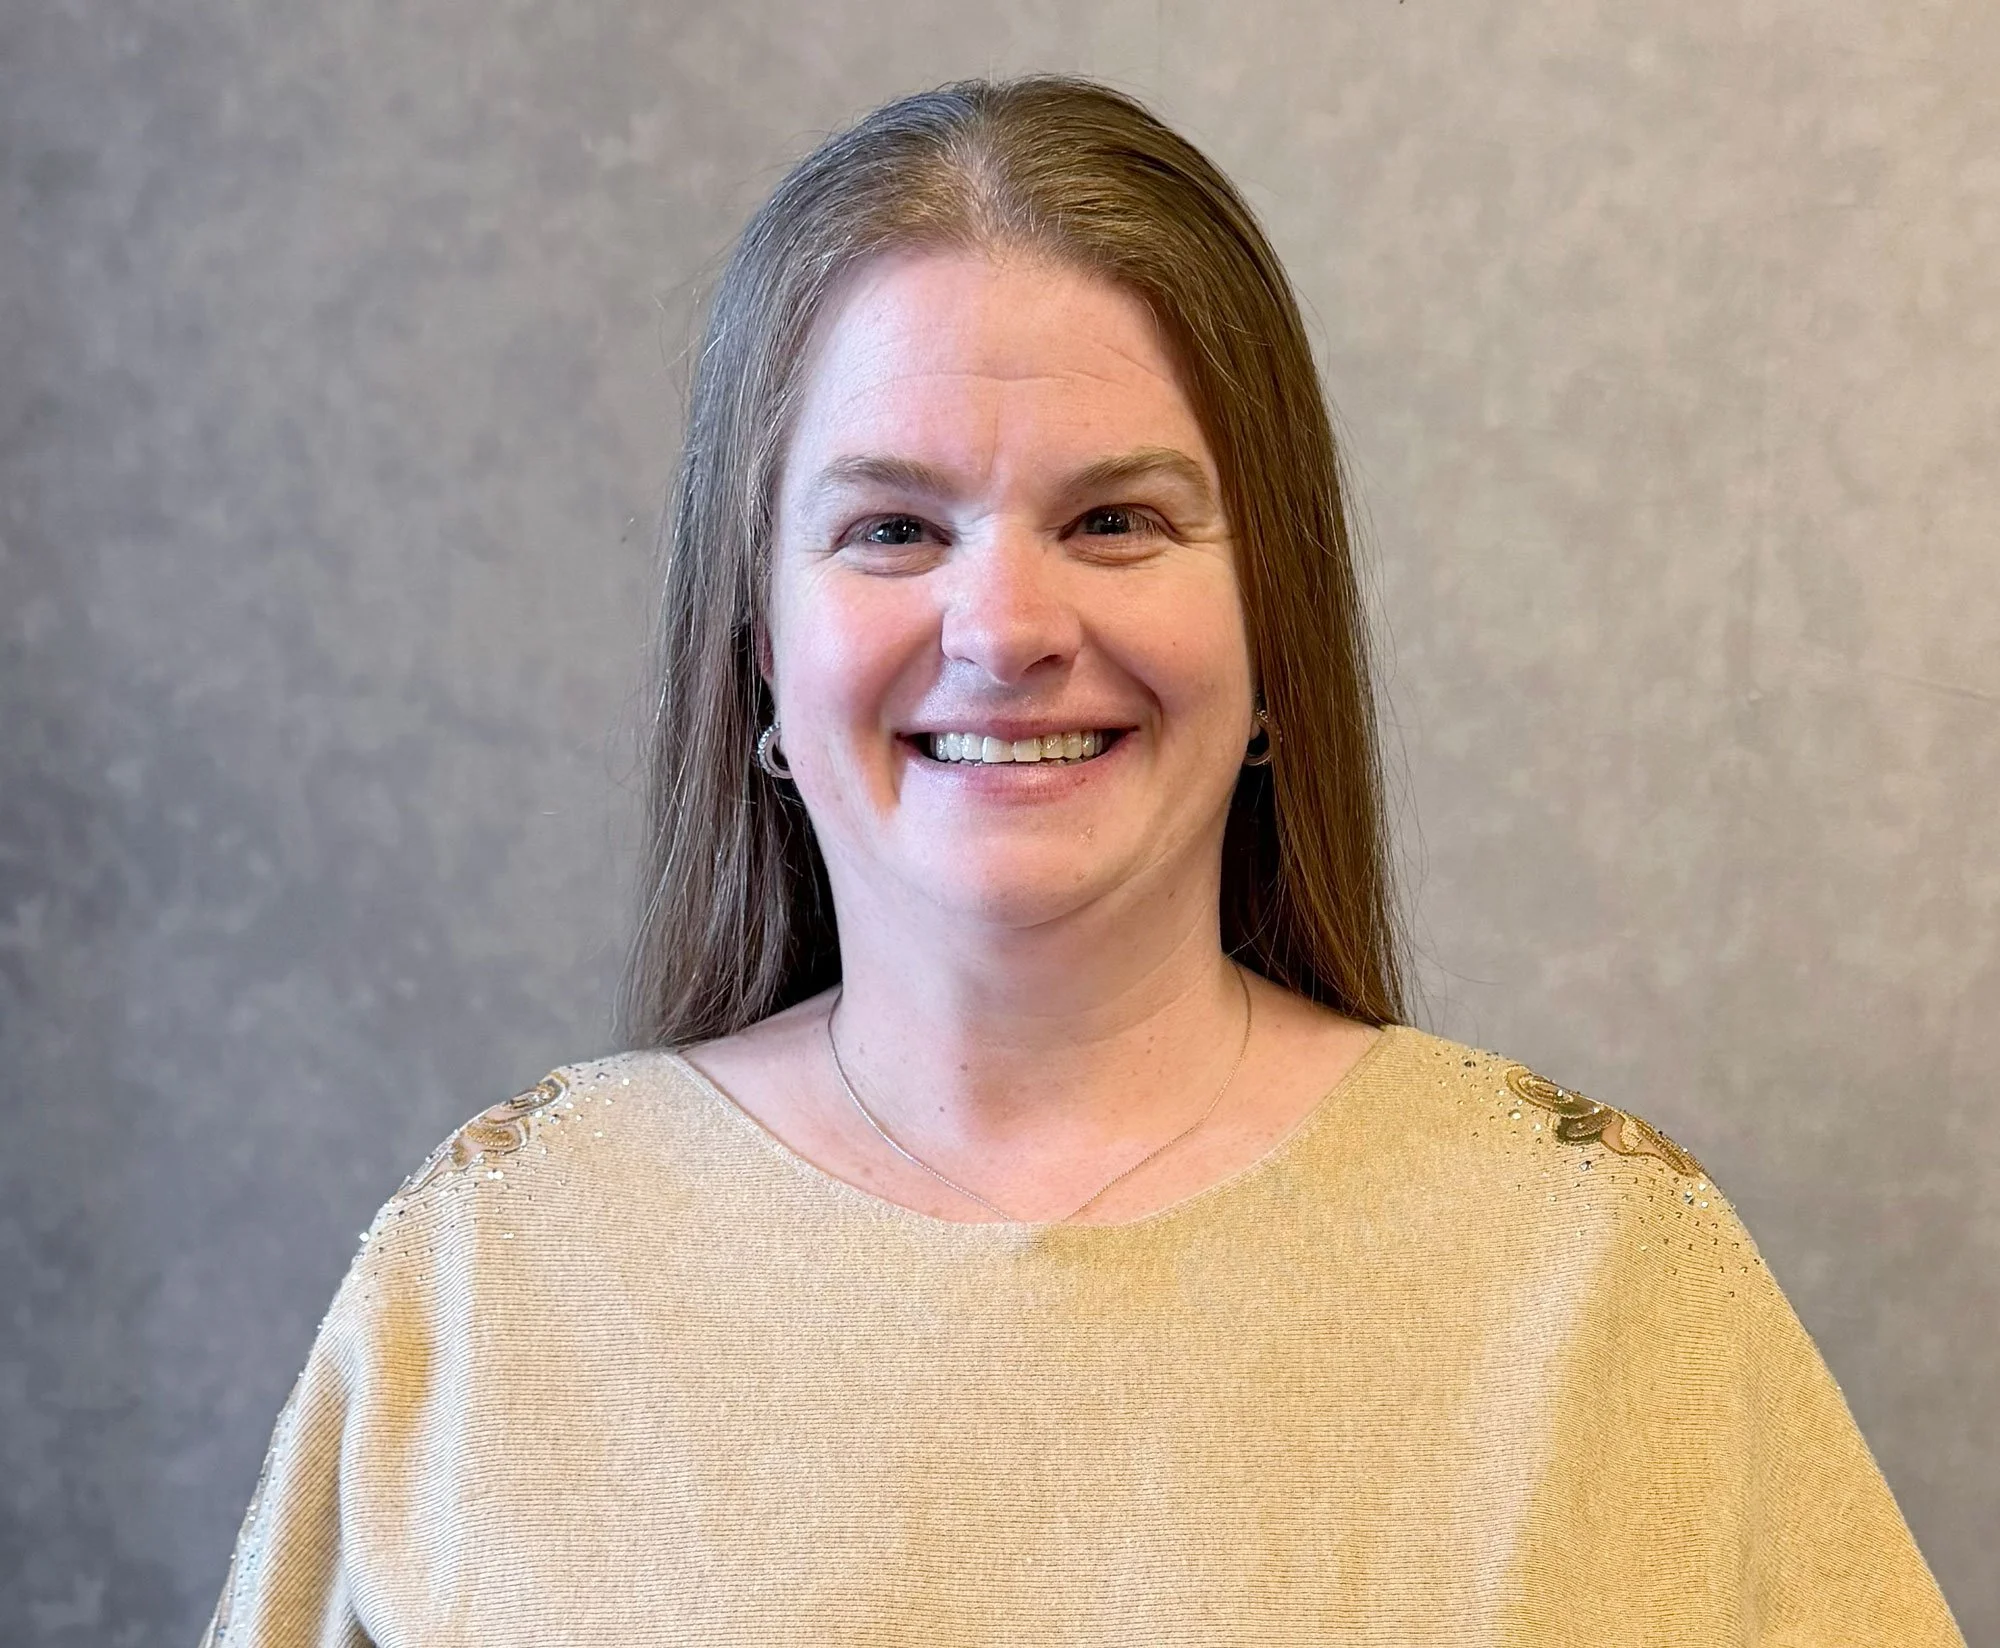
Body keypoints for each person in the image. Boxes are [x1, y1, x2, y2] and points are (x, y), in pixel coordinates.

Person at [202, 75, 1964, 1646]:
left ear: (1271, 622)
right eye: (892, 528)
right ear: (757, 649)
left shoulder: (1603, 1288)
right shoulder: (494, 1285)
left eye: (1117, 520)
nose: (1007, 626)